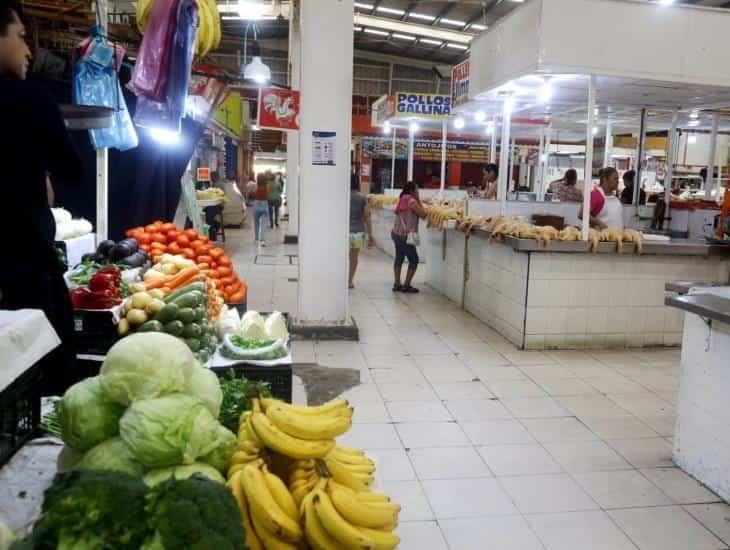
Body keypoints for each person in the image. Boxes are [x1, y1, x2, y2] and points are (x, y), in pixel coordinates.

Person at [0, 0, 83, 391]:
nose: (29, 50)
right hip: (24, 265)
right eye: (19, 37)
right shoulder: (28, 99)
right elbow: (73, 172)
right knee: (46, 374)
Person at [391, 181, 426, 293]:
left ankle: (397, 284)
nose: (418, 191)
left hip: (396, 233)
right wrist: (419, 199)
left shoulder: (402, 198)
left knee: (399, 257)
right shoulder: (412, 201)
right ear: (412, 191)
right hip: (406, 236)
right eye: (417, 189)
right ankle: (406, 285)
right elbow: (423, 215)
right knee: (414, 260)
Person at [349, 177, 374, 289]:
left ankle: (339, 278)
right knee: (354, 257)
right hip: (358, 231)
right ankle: (349, 281)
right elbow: (367, 217)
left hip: (343, 232)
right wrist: (370, 235)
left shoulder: (342, 196)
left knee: (341, 256)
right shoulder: (363, 198)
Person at [253, 173, 270, 246]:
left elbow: (254, 194)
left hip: (257, 204)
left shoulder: (256, 186)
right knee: (263, 223)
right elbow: (268, 195)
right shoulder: (267, 187)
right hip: (264, 204)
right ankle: (262, 239)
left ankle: (256, 237)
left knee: (256, 222)